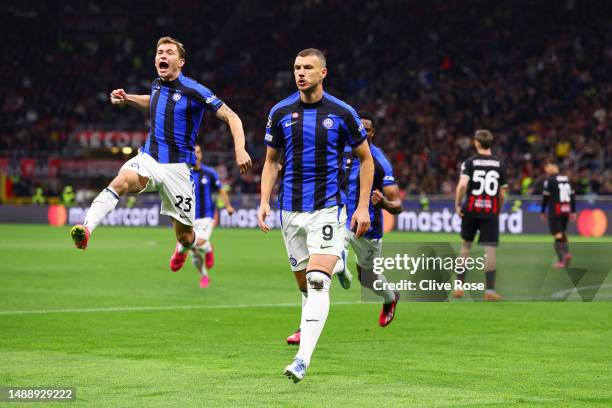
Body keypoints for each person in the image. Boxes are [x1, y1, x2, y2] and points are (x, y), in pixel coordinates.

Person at [70, 36, 251, 275]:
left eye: (169, 53)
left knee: (186, 236)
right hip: (149, 158)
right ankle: (87, 229)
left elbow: (231, 116)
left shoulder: (194, 90)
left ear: (181, 62)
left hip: (178, 169)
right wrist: (128, 98)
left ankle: (183, 248)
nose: (162, 56)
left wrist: (240, 149)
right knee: (121, 180)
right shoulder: (156, 84)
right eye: (159, 52)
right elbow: (153, 101)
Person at [257, 48, 374, 383]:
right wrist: (264, 200)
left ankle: (301, 360)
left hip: (327, 207)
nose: (301, 72)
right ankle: (338, 261)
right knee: (305, 287)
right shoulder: (280, 112)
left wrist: (362, 206)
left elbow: (366, 159)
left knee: (316, 281)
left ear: (323, 73)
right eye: (296, 67)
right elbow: (270, 161)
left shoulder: (342, 113)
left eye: (308, 67)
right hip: (289, 211)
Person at [337, 111, 403, 326]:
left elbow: (397, 205)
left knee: (367, 280)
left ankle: (391, 298)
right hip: (343, 219)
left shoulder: (380, 162)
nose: (363, 134)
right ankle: (339, 263)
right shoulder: (344, 152)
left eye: (367, 131)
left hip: (368, 230)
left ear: (373, 133)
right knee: (330, 249)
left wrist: (383, 203)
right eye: (360, 130)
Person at [453, 130, 507, 301]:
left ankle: (459, 287)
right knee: (489, 250)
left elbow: (462, 185)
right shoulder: (500, 164)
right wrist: (498, 208)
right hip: (490, 210)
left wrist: (457, 204)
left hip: (471, 208)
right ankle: (489, 291)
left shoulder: (469, 162)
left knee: (466, 247)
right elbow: (502, 192)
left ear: (476, 143)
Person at [189, 145, 236, 288]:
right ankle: (204, 276)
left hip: (206, 215)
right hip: (189, 218)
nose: (196, 155)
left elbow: (221, 190)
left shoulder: (209, 173)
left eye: (198, 152)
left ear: (201, 154)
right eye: (193, 152)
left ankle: (208, 248)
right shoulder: (185, 173)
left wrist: (228, 206)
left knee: (198, 242)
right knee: (192, 250)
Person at [540, 159, 576, 268]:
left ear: (550, 169)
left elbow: (545, 198)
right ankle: (567, 252)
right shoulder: (567, 179)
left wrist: (542, 211)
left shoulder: (550, 180)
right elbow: (572, 196)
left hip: (555, 211)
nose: (546, 171)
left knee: (557, 235)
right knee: (562, 232)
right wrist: (573, 211)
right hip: (566, 210)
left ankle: (561, 259)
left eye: (546, 168)